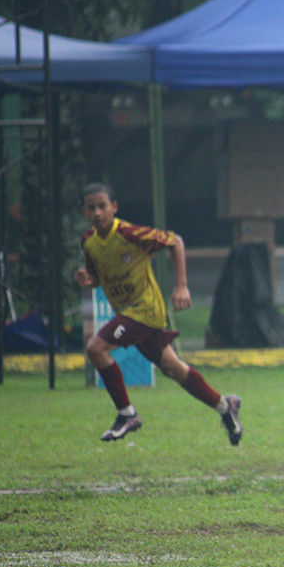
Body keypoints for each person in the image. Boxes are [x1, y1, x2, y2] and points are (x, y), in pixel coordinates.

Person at [74, 182, 242, 445]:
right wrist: (88, 279)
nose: (98, 213)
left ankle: (127, 415)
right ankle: (226, 407)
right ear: (83, 211)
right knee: (174, 369)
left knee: (96, 348)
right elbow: (97, 277)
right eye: (91, 208)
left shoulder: (129, 233)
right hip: (130, 313)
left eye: (103, 206)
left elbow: (175, 241)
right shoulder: (89, 242)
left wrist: (181, 285)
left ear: (114, 207)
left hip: (145, 310)